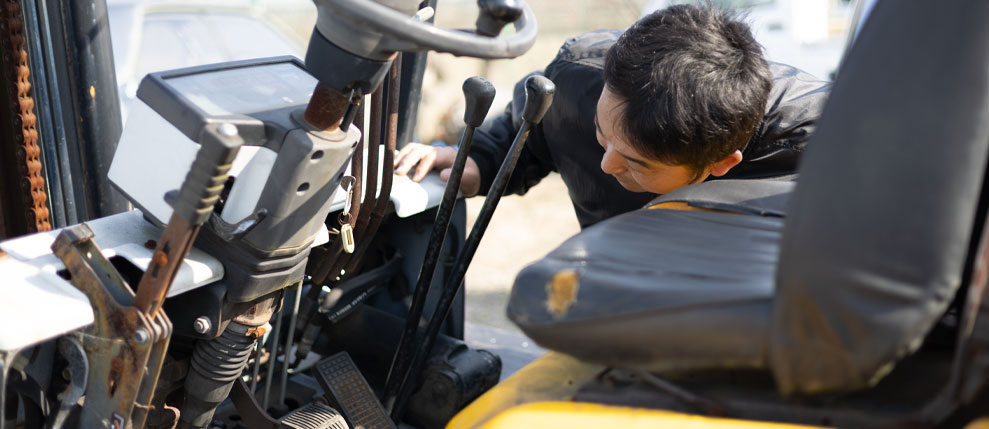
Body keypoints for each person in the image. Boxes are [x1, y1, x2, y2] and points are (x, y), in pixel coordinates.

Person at [395, 4, 831, 228]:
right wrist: (482, 159)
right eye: (601, 136)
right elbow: (535, 131)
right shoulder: (578, 78)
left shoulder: (821, 147)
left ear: (721, 163)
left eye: (637, 163)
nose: (606, 165)